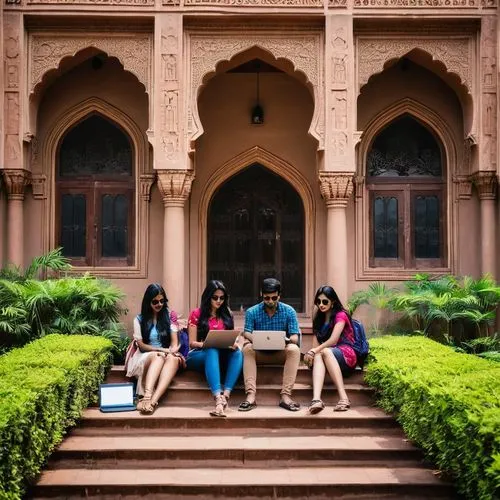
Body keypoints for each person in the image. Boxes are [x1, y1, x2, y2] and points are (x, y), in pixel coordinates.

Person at [238, 278, 301, 412]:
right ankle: (250, 396)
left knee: (294, 350)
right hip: (260, 353)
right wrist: (256, 338)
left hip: (280, 353)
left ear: (279, 295)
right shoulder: (252, 312)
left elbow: (295, 336)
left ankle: (285, 396)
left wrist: (286, 340)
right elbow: (246, 332)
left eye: (274, 298)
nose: (270, 301)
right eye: (267, 298)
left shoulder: (289, 311)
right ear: (261, 294)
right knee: (247, 348)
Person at [186, 280, 243, 417]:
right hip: (198, 354)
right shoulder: (196, 314)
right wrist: (210, 343)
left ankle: (225, 397)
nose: (219, 301)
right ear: (208, 297)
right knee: (212, 350)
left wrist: (233, 344)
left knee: (238, 353)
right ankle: (217, 398)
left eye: (222, 298)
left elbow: (230, 337)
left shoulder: (227, 314)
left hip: (221, 354)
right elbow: (192, 343)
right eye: (215, 297)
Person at [126, 283, 184, 415]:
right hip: (146, 355)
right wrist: (162, 351)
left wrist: (172, 351)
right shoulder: (139, 319)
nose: (159, 304)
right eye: (155, 301)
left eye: (162, 301)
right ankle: (147, 396)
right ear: (148, 302)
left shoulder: (170, 316)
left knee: (173, 360)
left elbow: (174, 343)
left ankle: (153, 401)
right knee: (158, 356)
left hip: (166, 353)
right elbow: (141, 346)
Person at [304, 285, 357, 414]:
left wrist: (315, 350)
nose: (321, 305)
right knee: (318, 354)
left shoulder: (341, 315)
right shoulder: (318, 319)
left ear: (333, 301)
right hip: (327, 355)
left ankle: (344, 398)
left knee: (323, 351)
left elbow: (333, 340)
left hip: (347, 354)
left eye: (325, 301)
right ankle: (316, 400)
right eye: (318, 301)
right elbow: (315, 345)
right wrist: (311, 354)